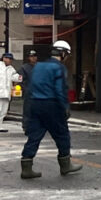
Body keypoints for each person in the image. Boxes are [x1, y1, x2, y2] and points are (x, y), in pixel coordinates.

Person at [20, 40, 82, 179]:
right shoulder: (59, 68)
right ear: (63, 53)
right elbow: (60, 90)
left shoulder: (38, 66)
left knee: (34, 136)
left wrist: (28, 111)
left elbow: (30, 88)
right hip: (52, 105)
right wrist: (65, 107)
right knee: (62, 134)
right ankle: (65, 165)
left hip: (35, 104)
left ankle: (26, 167)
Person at [18, 49, 39, 132]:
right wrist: (25, 89)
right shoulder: (24, 68)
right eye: (31, 56)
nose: (33, 58)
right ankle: (26, 126)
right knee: (28, 110)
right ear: (28, 58)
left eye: (34, 56)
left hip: (39, 91)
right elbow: (20, 80)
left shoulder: (40, 66)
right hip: (29, 92)